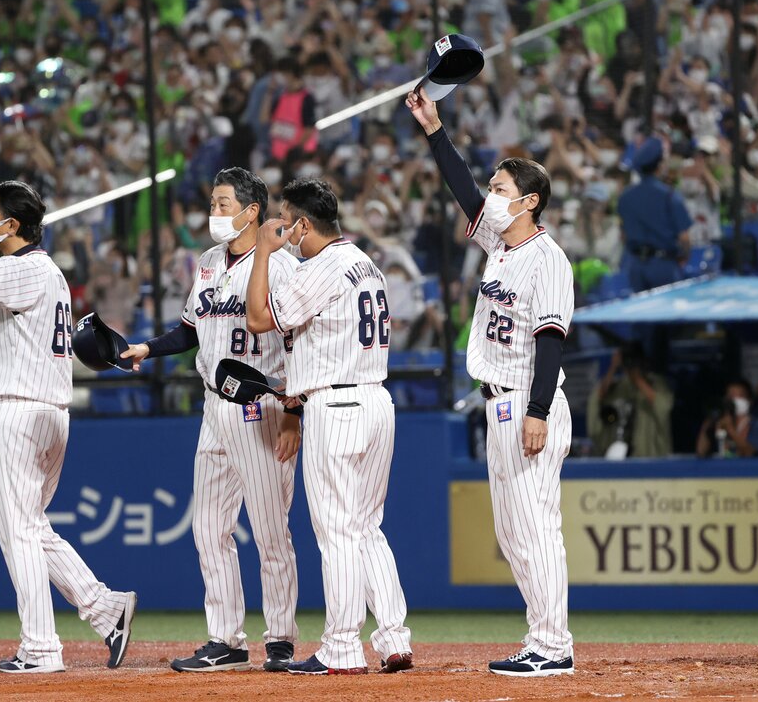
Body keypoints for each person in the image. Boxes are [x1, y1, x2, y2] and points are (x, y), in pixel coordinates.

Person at [0, 174, 136, 674]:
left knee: (17, 529)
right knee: (31, 525)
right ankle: (104, 607)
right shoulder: (50, 273)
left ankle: (41, 648)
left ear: (14, 224)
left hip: (20, 408)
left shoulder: (27, 269)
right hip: (49, 411)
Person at [407, 88, 575, 677]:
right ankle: (543, 637)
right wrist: (434, 130)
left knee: (535, 527)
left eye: (501, 190)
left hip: (529, 402)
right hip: (498, 405)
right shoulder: (500, 246)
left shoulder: (547, 258)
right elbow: (460, 190)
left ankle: (553, 645)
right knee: (514, 529)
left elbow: (551, 338)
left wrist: (537, 411)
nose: (491, 197)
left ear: (529, 201)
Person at [119, 168, 302, 673]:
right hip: (214, 408)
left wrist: (293, 412)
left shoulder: (280, 266)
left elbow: (296, 341)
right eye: (214, 202)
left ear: (251, 213)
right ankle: (226, 637)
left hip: (262, 404)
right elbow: (188, 331)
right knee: (208, 529)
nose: (214, 213)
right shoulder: (206, 264)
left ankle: (281, 638)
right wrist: (146, 350)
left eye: (224, 204)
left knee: (269, 531)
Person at [244, 177, 412, 676]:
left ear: (303, 223)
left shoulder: (321, 266)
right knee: (366, 528)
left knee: (337, 530)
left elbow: (257, 319)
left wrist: (261, 253)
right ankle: (393, 638)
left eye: (285, 219)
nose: (280, 227)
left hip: (336, 407)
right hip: (375, 400)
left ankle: (340, 645)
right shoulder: (365, 261)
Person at [617, 138, 692, 292]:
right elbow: (684, 238)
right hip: (664, 264)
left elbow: (623, 235)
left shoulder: (625, 196)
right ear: (659, 165)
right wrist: (684, 256)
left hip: (635, 264)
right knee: (665, 312)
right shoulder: (669, 196)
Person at [695, 379, 758, 458]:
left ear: (750, 400)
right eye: (731, 396)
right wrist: (707, 424)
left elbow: (750, 453)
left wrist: (730, 430)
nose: (735, 400)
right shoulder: (718, 422)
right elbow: (701, 452)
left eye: (740, 396)